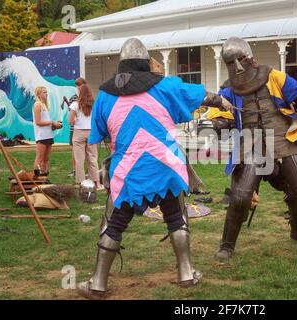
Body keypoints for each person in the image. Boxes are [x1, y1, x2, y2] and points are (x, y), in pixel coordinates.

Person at [76, 38, 232, 299]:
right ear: (146, 62)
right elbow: (199, 95)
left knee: (113, 223)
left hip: (128, 171)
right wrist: (222, 102)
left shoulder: (104, 94)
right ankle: (186, 273)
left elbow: (100, 132)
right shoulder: (166, 86)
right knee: (175, 216)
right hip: (165, 166)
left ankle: (98, 284)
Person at [214, 37, 297, 260]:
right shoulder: (227, 89)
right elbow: (219, 114)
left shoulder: (272, 75)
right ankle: (227, 244)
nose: (238, 66)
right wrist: (219, 123)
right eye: (232, 63)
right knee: (240, 197)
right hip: (250, 141)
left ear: (250, 57)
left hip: (282, 135)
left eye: (240, 59)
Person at [69, 83, 102, 189]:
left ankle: (82, 183)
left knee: (79, 160)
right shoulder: (94, 104)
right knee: (92, 158)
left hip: (79, 132)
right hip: (91, 132)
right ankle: (97, 182)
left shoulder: (75, 104)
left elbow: (70, 121)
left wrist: (76, 120)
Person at [32, 86, 62, 177]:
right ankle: (37, 177)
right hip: (41, 136)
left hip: (48, 134)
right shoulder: (37, 105)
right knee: (40, 157)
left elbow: (45, 122)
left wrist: (54, 126)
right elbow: (38, 122)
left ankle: (44, 176)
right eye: (44, 92)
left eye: (46, 92)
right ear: (39, 94)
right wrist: (52, 122)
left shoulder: (44, 104)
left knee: (46, 158)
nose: (46, 94)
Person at [67, 77, 87, 178]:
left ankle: (84, 170)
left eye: (80, 85)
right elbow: (71, 114)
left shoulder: (89, 98)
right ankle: (76, 170)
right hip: (75, 128)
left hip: (85, 127)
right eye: (77, 85)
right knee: (75, 151)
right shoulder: (73, 98)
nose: (78, 87)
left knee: (87, 151)